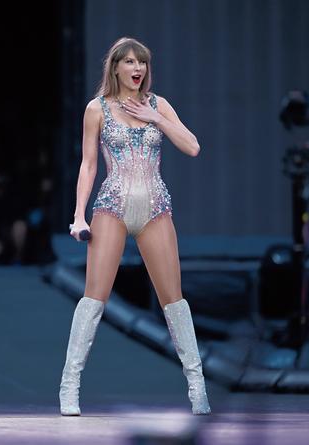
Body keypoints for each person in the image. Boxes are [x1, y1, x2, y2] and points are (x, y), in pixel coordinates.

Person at [59, 37, 211, 416]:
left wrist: (156, 119)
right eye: (128, 61)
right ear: (115, 68)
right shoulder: (97, 109)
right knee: (94, 298)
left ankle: (197, 386)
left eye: (141, 61)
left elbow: (192, 147)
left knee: (173, 300)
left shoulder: (159, 105)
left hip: (155, 207)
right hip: (112, 205)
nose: (136, 67)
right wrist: (79, 214)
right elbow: (89, 165)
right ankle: (69, 385)